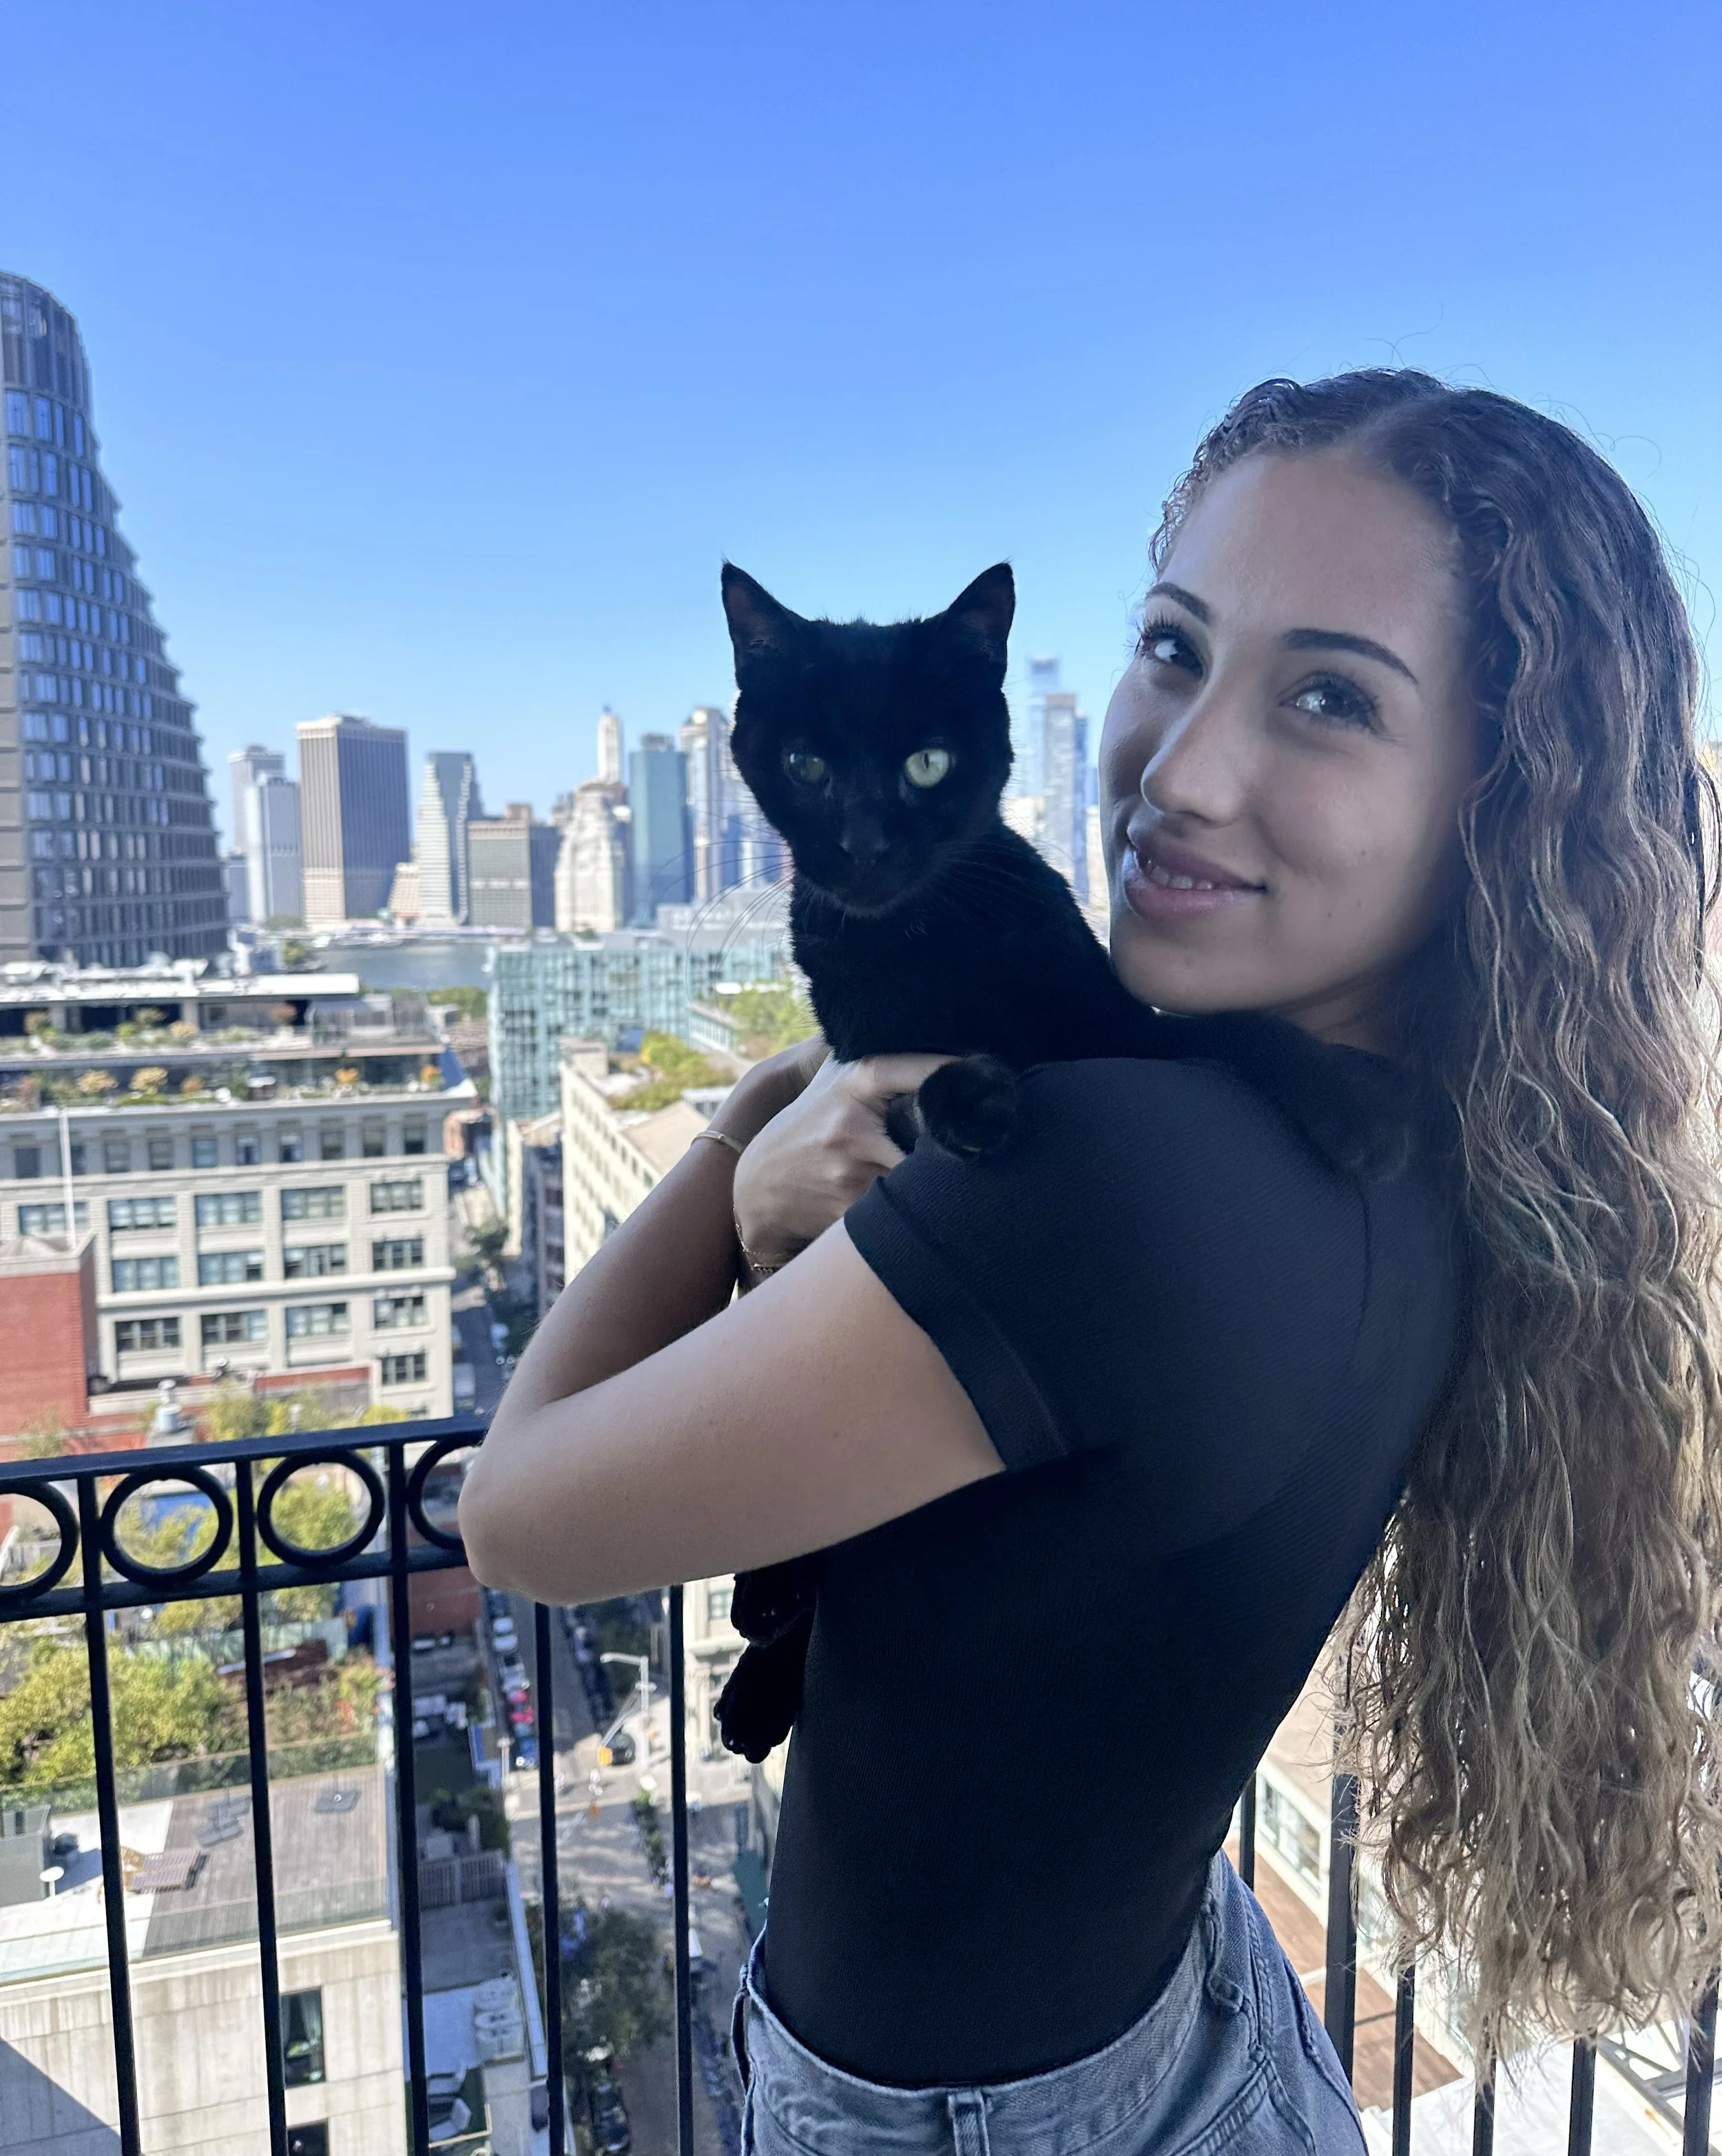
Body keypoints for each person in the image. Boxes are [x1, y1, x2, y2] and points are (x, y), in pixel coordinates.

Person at [461, 370, 1722, 2153]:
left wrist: (746, 1127)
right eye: (1171, 645)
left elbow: (515, 1511)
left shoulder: (1094, 1184)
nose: (1181, 767)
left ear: (1493, 791)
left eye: (1327, 696)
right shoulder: (1447, 1143)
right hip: (1190, 2016)